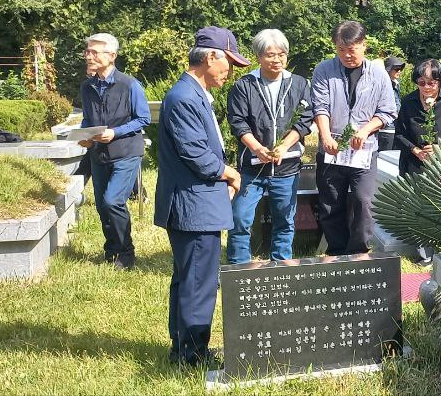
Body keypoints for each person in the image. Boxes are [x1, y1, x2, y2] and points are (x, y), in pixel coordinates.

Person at [155, 26, 248, 367]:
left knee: (188, 278)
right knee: (198, 282)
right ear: (211, 57)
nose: (231, 72)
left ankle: (183, 347)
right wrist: (230, 172)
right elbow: (195, 152)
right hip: (193, 206)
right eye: (230, 64)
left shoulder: (190, 94)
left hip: (195, 203)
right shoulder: (184, 97)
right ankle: (191, 355)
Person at [224, 29, 313, 265]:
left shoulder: (299, 84)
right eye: (270, 55)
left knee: (285, 219)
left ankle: (281, 265)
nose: (277, 60)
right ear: (258, 56)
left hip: (287, 167)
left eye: (282, 54)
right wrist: (256, 148)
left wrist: (284, 146)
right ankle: (239, 267)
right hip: (252, 168)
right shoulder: (245, 85)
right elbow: (238, 122)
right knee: (240, 218)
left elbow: (305, 120)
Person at [311, 20, 398, 256]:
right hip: (331, 150)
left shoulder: (379, 75)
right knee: (331, 202)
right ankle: (337, 251)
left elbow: (388, 111)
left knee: (363, 201)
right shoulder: (323, 70)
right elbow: (320, 107)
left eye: (352, 49)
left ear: (363, 45)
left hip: (364, 152)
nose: (347, 55)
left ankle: (359, 251)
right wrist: (326, 135)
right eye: (341, 49)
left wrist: (365, 129)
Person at [76, 33, 151, 270]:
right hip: (98, 154)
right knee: (101, 205)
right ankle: (112, 251)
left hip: (126, 152)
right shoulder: (87, 87)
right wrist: (84, 136)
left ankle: (126, 253)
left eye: (94, 52)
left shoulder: (130, 84)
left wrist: (115, 132)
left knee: (112, 201)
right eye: (87, 52)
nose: (89, 56)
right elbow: (88, 119)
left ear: (112, 56)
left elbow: (143, 118)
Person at [396, 59, 441, 176]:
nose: (426, 87)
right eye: (421, 83)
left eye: (431, 83)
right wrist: (415, 150)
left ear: (440, 82)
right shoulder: (408, 102)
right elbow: (399, 134)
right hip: (413, 166)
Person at [380, 56, 406, 151]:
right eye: (396, 69)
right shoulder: (384, 84)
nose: (399, 71)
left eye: (401, 69)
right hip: (386, 128)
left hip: (394, 128)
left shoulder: (395, 84)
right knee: (384, 158)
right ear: (388, 69)